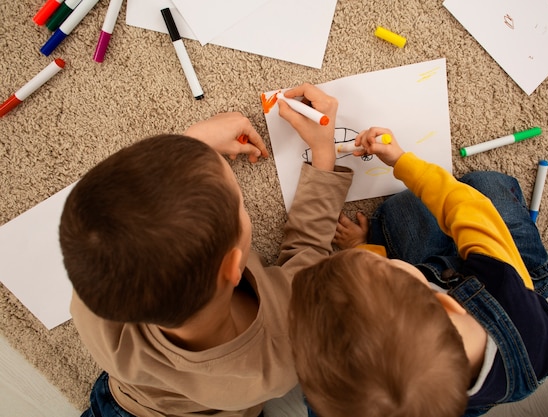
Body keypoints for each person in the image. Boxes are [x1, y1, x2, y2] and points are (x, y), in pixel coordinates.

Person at [59, 83, 354, 417]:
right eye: (240, 204)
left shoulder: (94, 307)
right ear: (232, 266)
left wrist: (190, 147)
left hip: (126, 404)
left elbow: (124, 216)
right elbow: (309, 250)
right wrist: (324, 155)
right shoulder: (279, 354)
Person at [288, 127, 548, 417]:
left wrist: (362, 248)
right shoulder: (505, 285)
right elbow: (469, 209)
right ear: (445, 301)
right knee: (482, 187)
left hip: (457, 296)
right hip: (521, 281)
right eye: (386, 265)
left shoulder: (364, 404)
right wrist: (402, 162)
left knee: (404, 211)